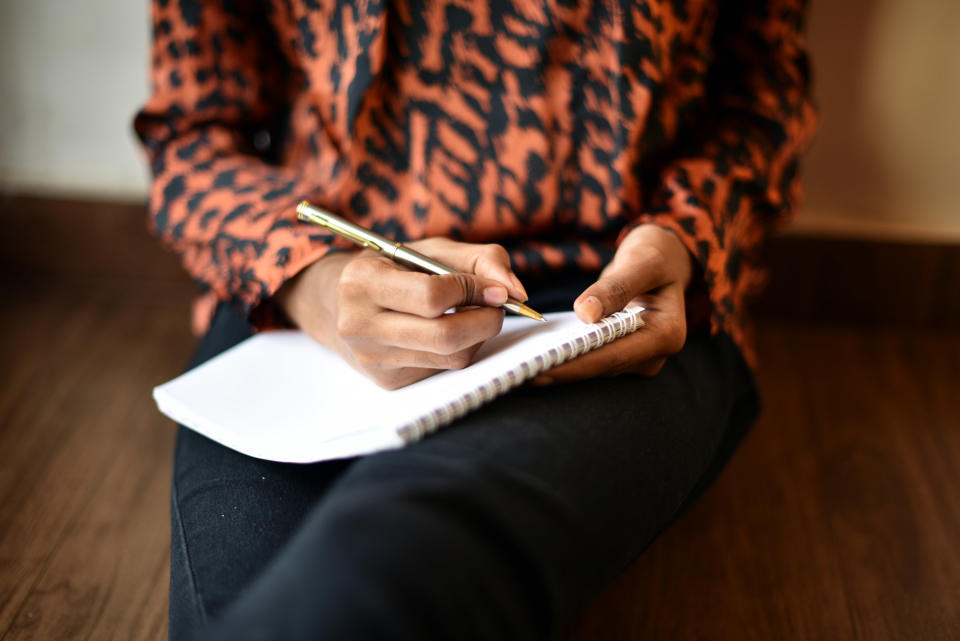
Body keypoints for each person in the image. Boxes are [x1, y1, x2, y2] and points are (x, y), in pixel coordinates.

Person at [134, 0, 815, 638]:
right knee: (243, 602)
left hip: (608, 281)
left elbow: (760, 97)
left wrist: (686, 233)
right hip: (307, 280)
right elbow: (191, 133)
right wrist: (311, 276)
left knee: (388, 565)